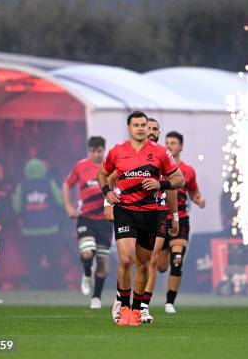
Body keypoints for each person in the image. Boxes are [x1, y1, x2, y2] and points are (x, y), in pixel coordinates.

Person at [98, 111, 184, 327]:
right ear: (129, 127)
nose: (141, 128)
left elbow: (179, 179)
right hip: (125, 210)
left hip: (151, 213)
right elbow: (102, 174)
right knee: (126, 259)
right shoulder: (117, 151)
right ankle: (124, 307)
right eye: (136, 125)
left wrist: (160, 184)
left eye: (144, 125)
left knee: (145, 264)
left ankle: (138, 309)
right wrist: (108, 194)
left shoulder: (160, 153)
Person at [156, 131, 205, 314]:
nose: (169, 145)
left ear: (181, 147)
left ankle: (170, 302)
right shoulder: (158, 169)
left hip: (181, 219)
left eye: (173, 143)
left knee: (177, 261)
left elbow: (194, 192)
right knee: (161, 267)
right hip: (161, 220)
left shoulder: (188, 171)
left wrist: (198, 199)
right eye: (167, 142)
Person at [63, 136, 112, 309]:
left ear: (103, 150)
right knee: (87, 254)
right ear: (88, 151)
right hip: (86, 218)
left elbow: (119, 191)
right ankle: (85, 273)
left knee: (103, 264)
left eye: (99, 151)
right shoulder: (80, 166)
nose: (96, 154)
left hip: (106, 221)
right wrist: (69, 207)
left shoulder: (112, 167)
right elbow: (67, 185)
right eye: (93, 151)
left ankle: (96, 298)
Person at [12, 158, 64, 289]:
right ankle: (57, 286)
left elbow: (17, 207)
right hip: (51, 229)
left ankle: (35, 286)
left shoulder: (21, 185)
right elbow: (61, 201)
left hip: (30, 231)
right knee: (54, 259)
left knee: (33, 261)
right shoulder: (50, 183)